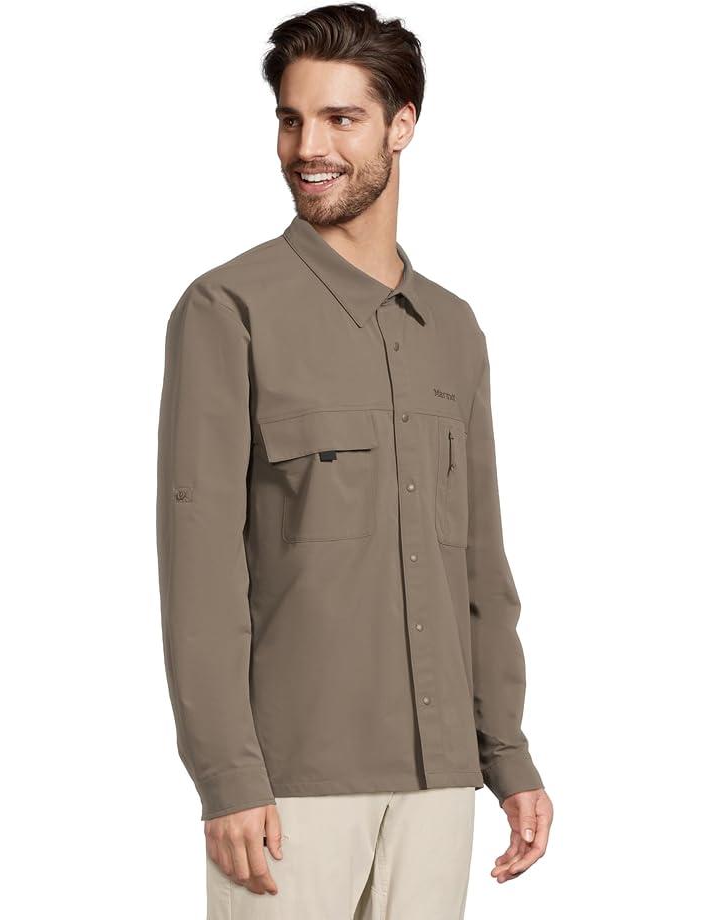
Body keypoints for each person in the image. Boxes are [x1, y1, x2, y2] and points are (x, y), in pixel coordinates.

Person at [156, 4, 553, 917]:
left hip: (440, 779)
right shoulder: (227, 309)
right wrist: (226, 776)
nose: (309, 148)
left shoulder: (453, 329)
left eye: (341, 118)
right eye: (292, 119)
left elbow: (481, 568)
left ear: (401, 126)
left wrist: (507, 754)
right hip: (288, 786)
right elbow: (199, 569)